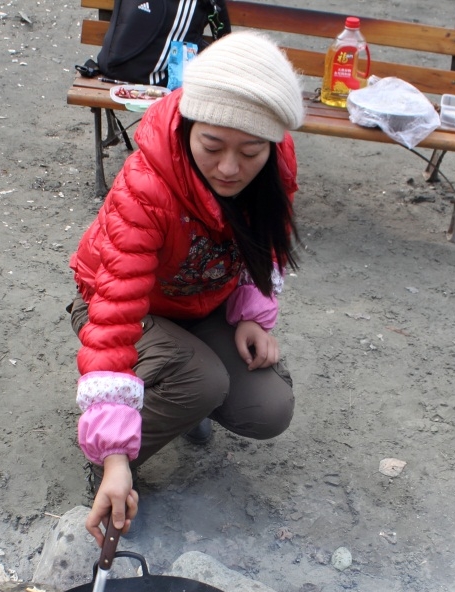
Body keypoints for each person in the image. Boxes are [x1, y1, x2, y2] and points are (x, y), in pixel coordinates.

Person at [69, 31, 305, 545]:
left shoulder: (275, 166)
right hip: (118, 305)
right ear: (189, 125)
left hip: (198, 306)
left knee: (268, 407)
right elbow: (114, 315)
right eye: (213, 146)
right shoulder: (146, 188)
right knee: (202, 381)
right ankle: (113, 465)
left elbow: (264, 243)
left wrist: (252, 315)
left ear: (272, 143)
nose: (229, 168)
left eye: (250, 152)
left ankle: (180, 400)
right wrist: (114, 457)